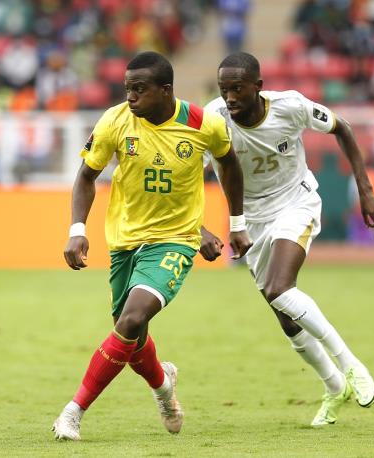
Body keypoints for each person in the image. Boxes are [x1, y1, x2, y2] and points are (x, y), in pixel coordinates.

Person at [52, 51, 252, 441]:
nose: (131, 97)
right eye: (127, 88)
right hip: (125, 240)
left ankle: (73, 412)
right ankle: (164, 386)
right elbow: (86, 176)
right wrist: (77, 229)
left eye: (139, 89)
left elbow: (229, 164)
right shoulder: (114, 121)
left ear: (165, 90)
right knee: (130, 335)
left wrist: (234, 225)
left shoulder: (203, 124)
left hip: (176, 241)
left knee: (130, 320)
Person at [200, 52, 374, 427]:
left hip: (295, 202)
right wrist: (198, 226)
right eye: (223, 89)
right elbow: (186, 174)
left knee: (280, 288)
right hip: (251, 220)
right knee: (285, 317)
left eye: (237, 88)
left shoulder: (291, 107)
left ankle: (351, 366)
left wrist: (365, 189)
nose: (230, 97)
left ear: (258, 87)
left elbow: (343, 128)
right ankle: (334, 387)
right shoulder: (212, 120)